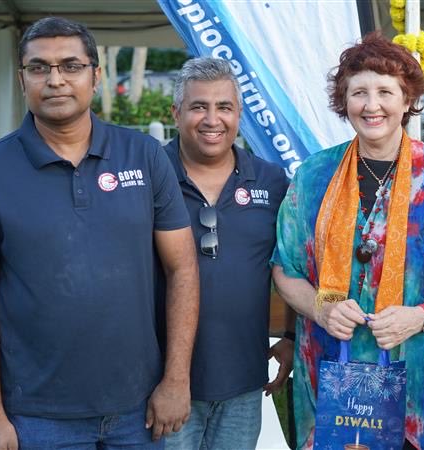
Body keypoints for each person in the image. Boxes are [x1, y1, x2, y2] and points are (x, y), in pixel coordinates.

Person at [0, 17, 200, 449]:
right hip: (38, 415)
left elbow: (183, 270)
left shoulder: (144, 156)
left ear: (95, 76)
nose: (55, 80)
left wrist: (176, 379)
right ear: (22, 80)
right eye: (39, 68)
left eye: (71, 66)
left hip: (138, 406)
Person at [271, 32, 424, 449]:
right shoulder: (313, 176)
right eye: (359, 93)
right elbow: (286, 268)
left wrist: (420, 315)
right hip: (334, 378)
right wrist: (320, 309)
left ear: (407, 100)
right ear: (344, 101)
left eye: (385, 92)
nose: (372, 105)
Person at [161, 57, 294, 450]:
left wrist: (290, 335)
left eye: (224, 107)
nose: (212, 119)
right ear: (176, 113)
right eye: (198, 106)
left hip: (243, 381)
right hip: (164, 383)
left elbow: (291, 264)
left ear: (239, 114)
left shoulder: (271, 180)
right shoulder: (151, 175)